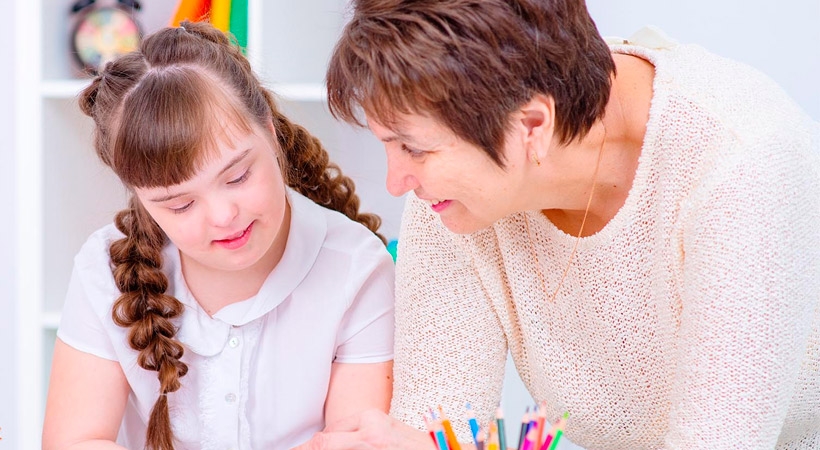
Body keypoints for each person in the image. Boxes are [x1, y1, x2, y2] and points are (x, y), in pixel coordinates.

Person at [297, 0, 820, 449]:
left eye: (414, 147)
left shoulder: (740, 158)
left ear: (531, 125)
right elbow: (439, 426)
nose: (395, 181)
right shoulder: (452, 198)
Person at [41, 21, 395, 450]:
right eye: (180, 204)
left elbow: (355, 442)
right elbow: (74, 441)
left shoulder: (357, 266)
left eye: (239, 176)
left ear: (268, 129)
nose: (224, 215)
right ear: (141, 199)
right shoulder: (104, 268)